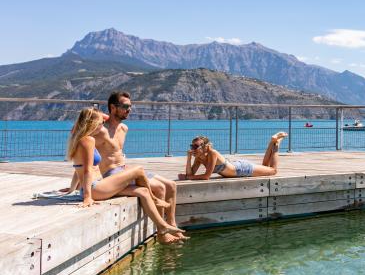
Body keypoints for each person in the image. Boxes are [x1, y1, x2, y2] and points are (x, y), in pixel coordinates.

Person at [66, 108, 184, 238]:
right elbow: (87, 170)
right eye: (100, 123)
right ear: (92, 123)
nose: (102, 125)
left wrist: (72, 189)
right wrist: (87, 197)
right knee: (138, 170)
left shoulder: (77, 138)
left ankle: (161, 228)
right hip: (95, 188)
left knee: (142, 192)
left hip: (97, 187)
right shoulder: (88, 140)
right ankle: (155, 200)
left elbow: (78, 169)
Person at [95, 91, 187, 243]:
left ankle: (172, 225)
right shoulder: (101, 131)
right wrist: (80, 181)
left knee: (171, 185)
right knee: (160, 188)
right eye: (125, 106)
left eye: (130, 106)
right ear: (113, 107)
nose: (129, 110)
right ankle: (162, 233)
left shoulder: (124, 128)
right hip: (111, 175)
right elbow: (87, 153)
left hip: (124, 169)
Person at [179, 132, 287, 180]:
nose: (193, 148)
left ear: (205, 146)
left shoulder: (213, 153)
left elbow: (206, 176)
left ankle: (277, 143)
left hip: (241, 170)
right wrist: (188, 158)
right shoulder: (199, 158)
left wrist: (188, 177)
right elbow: (190, 173)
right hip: (235, 168)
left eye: (196, 146)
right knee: (265, 166)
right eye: (192, 146)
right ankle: (272, 142)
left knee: (272, 170)